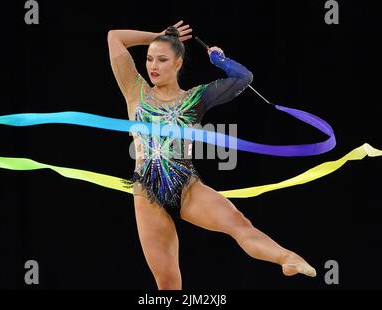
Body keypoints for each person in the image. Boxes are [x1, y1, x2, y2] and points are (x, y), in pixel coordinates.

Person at [107, 20, 316, 290]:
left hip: (187, 188)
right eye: (149, 59)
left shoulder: (196, 97)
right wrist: (156, 36)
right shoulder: (136, 91)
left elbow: (243, 79)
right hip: (148, 195)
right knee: (168, 283)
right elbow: (114, 37)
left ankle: (286, 257)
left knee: (239, 222)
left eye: (161, 59)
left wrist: (220, 60)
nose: (153, 66)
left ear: (178, 64)